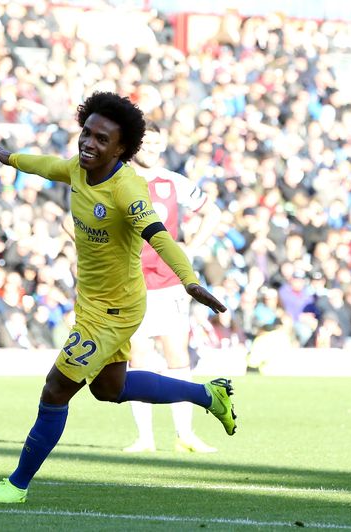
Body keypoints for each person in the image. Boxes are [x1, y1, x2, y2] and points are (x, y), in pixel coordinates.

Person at [0, 92, 235, 505]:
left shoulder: (128, 190)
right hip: (94, 303)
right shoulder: (79, 171)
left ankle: (16, 485)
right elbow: (46, 167)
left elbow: (159, 235)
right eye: (86, 133)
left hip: (115, 311)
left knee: (55, 389)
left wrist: (188, 280)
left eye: (101, 139)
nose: (88, 144)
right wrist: (11, 159)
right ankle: (209, 395)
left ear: (121, 150)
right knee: (109, 389)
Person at [123, 122, 223, 455]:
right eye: (146, 143)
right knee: (139, 357)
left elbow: (213, 212)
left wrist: (191, 248)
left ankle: (185, 434)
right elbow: (75, 220)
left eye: (156, 143)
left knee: (176, 355)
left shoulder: (173, 182)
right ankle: (144, 438)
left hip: (168, 283)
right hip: (130, 282)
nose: (151, 148)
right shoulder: (117, 179)